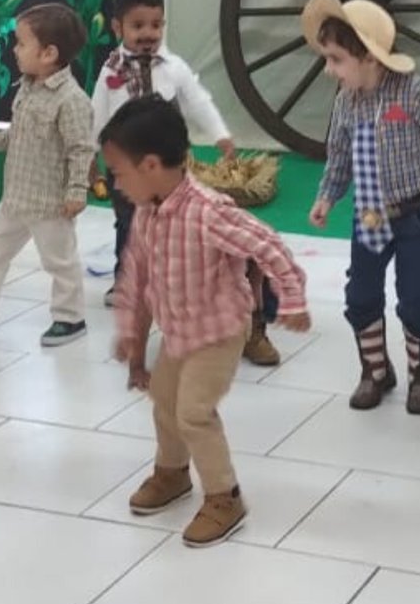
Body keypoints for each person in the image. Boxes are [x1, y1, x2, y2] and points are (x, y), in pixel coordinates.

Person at [106, 96, 311, 547]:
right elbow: (135, 276)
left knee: (194, 412)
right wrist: (131, 335)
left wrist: (292, 298)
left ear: (151, 165)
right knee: (164, 401)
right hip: (178, 331)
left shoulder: (207, 211)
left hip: (219, 331)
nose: (116, 184)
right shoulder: (147, 213)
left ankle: (224, 496)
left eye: (119, 173)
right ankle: (173, 472)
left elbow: (266, 243)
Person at [303, 0, 420, 415]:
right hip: (368, 214)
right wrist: (326, 197)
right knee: (360, 294)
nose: (328, 70)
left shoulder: (415, 92)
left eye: (336, 59)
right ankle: (375, 370)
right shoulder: (345, 103)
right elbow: (339, 157)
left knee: (417, 295)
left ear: (368, 56)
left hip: (416, 215)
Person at [88, 0, 280, 364]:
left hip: (171, 172)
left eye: (156, 25)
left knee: (186, 236)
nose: (148, 34)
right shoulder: (110, 73)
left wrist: (220, 134)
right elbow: (97, 117)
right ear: (118, 27)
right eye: (138, 26)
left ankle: (248, 318)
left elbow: (198, 101)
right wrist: (91, 157)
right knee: (130, 227)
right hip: (129, 173)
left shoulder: (174, 68)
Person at [0, 2, 96, 349]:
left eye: (22, 43)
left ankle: (70, 317)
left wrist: (76, 190)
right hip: (16, 198)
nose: (14, 50)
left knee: (59, 261)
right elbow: (19, 132)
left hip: (50, 203)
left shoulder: (71, 100)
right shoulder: (27, 87)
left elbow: (81, 149)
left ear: (48, 54)